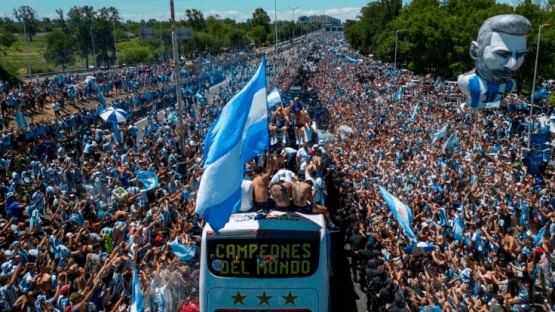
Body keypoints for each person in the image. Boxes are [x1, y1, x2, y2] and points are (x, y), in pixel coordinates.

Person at [457, 14, 531, 109]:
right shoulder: (466, 81)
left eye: (520, 55)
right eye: (502, 54)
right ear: (475, 51)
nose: (512, 65)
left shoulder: (510, 85)